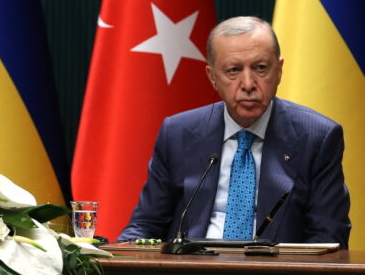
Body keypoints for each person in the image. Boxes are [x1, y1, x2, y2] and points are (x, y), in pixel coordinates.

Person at [117, 16, 351, 247]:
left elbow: (328, 238)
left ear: (278, 71)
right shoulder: (178, 133)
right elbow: (146, 224)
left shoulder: (317, 137)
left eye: (260, 68)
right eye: (233, 70)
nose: (248, 84)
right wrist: (119, 255)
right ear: (212, 77)